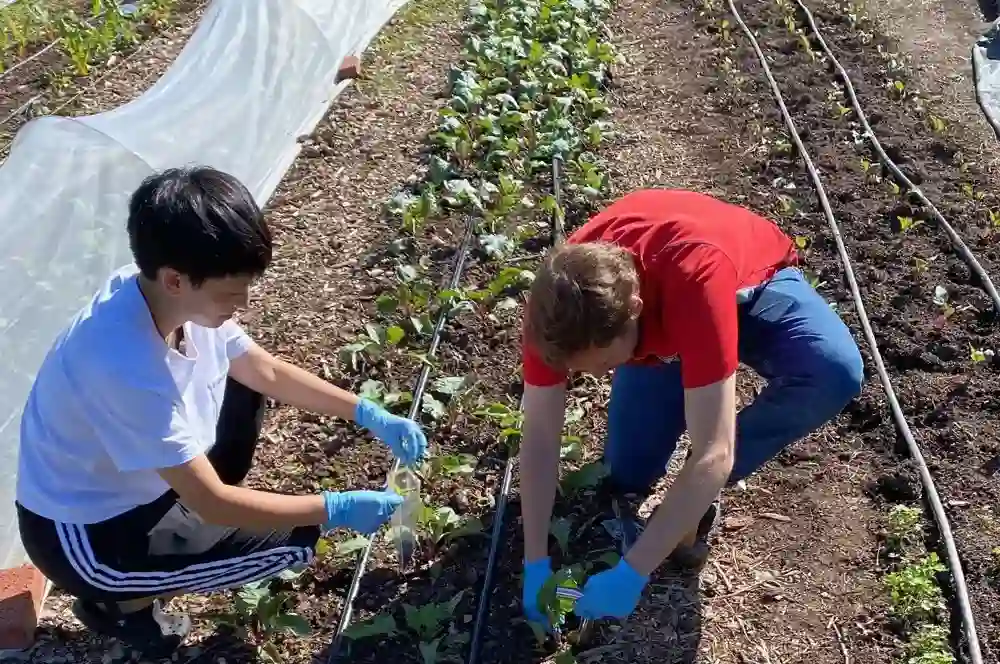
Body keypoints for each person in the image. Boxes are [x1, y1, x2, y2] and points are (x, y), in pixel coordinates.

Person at [14, 166, 425, 656]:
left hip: (144, 483)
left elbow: (263, 370)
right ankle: (120, 603)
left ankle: (164, 554)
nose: (243, 303)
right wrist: (335, 507)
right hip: (89, 537)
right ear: (175, 280)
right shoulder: (122, 363)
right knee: (292, 540)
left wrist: (367, 412)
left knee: (243, 384)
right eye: (231, 293)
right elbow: (212, 501)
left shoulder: (161, 293)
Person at [518, 188, 863, 625]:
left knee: (832, 370)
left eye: (605, 364)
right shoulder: (552, 317)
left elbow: (713, 452)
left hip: (747, 292)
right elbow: (540, 440)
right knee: (627, 472)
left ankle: (694, 497)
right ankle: (684, 488)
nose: (599, 376)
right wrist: (534, 564)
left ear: (634, 314)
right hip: (660, 327)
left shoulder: (693, 276)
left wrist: (631, 573)